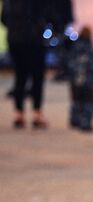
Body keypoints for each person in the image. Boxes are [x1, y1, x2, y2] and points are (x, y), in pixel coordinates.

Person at [2, 0, 50, 129]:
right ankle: (37, 113)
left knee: (20, 76)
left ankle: (19, 114)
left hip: (15, 40)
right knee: (37, 77)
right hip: (35, 40)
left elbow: (4, 19)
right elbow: (48, 13)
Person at [68, 26, 93, 132]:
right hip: (88, 82)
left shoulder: (74, 48)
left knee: (76, 101)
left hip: (75, 82)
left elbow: (69, 64)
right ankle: (85, 122)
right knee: (89, 103)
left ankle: (75, 119)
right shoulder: (90, 50)